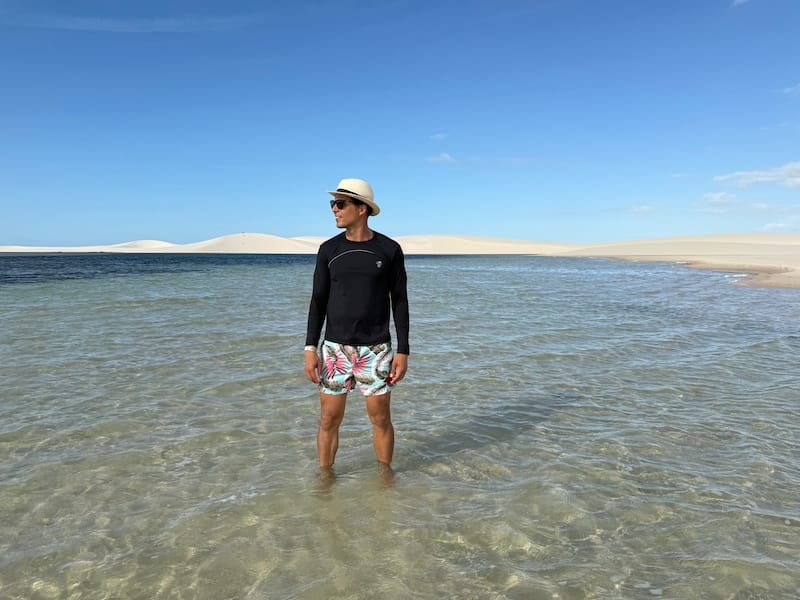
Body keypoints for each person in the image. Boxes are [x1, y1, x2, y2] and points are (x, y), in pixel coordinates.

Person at [304, 178, 409, 476]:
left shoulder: (388, 250)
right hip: (334, 349)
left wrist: (403, 351)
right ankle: (325, 481)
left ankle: (385, 481)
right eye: (333, 204)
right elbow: (318, 301)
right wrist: (311, 348)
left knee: (380, 420)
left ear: (361, 209)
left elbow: (400, 301)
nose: (334, 210)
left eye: (340, 204)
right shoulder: (328, 250)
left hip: (376, 349)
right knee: (328, 419)